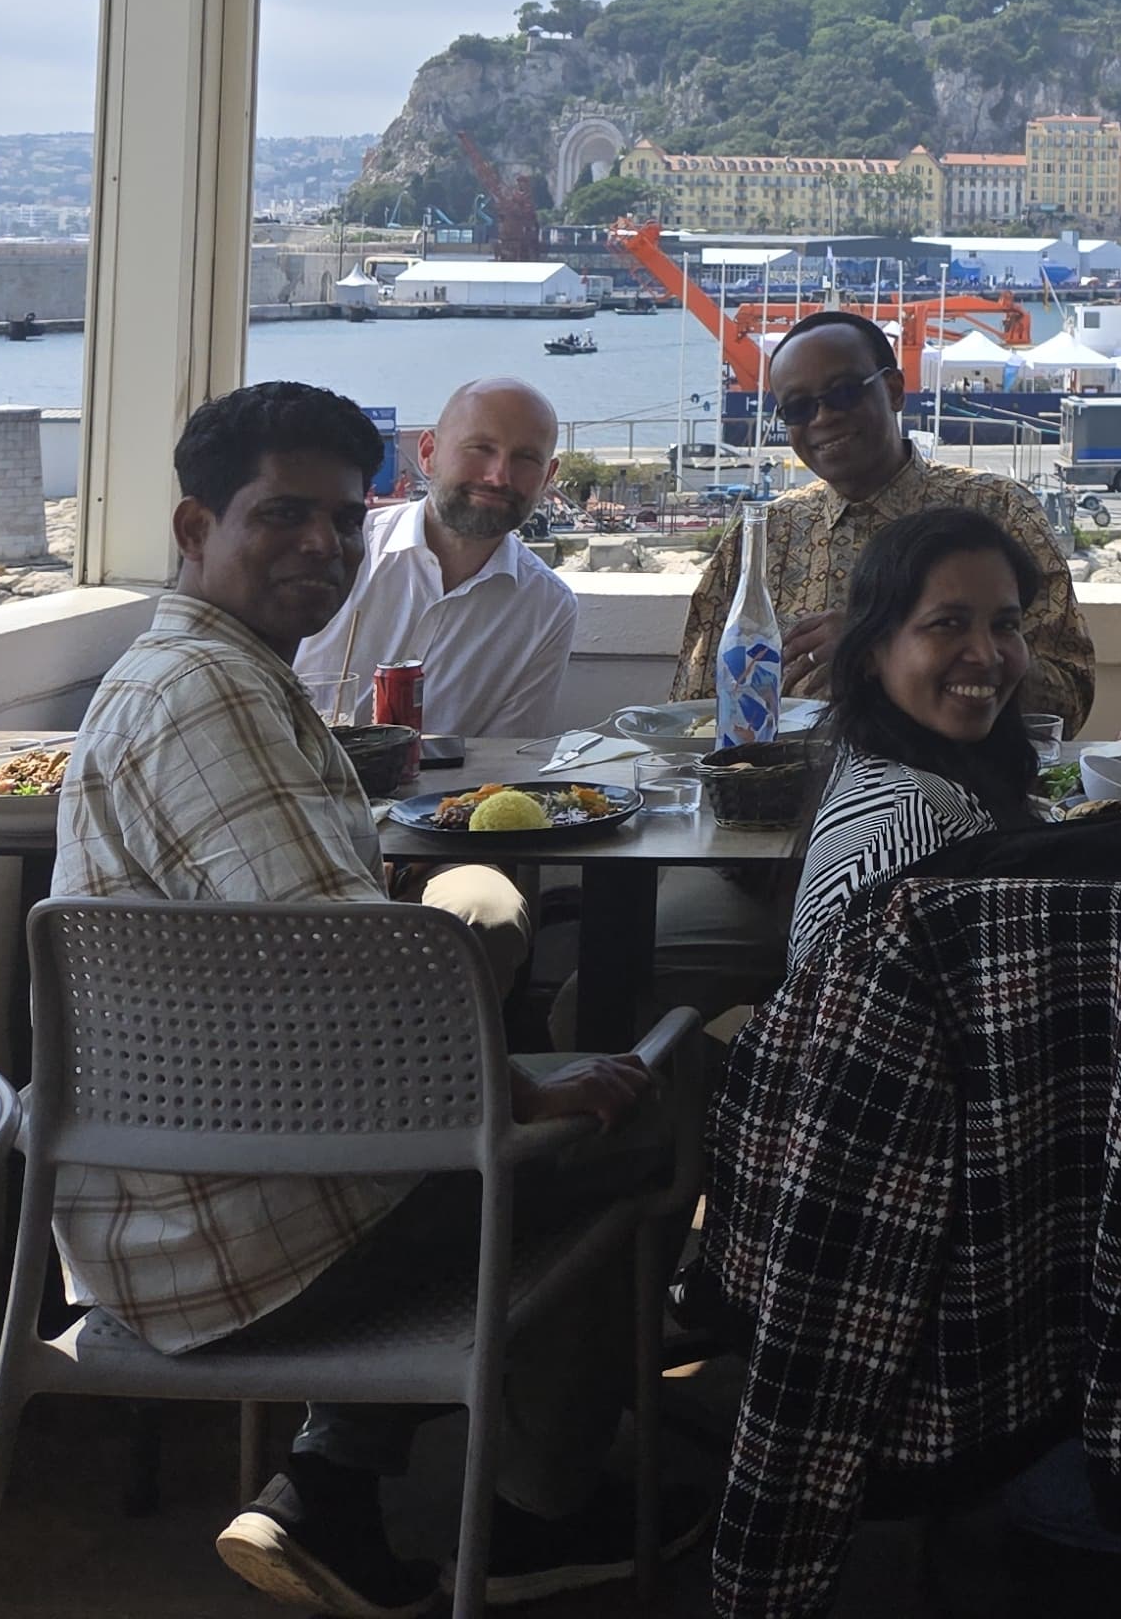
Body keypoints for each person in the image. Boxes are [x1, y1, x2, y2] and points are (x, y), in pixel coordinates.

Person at [52, 383, 666, 1617]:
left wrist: (511, 1086)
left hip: (178, 1191)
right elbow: (355, 1002)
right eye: (282, 515)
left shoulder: (186, 673)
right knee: (652, 1106)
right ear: (195, 527)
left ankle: (332, 1480)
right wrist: (521, 1092)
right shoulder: (214, 697)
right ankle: (535, 1511)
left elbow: (327, 986)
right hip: (235, 1245)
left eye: (340, 519)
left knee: (551, 1091)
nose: (322, 547)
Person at [663, 311, 1091, 725]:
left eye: (844, 393)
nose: (823, 417)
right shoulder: (763, 536)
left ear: (894, 390)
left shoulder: (999, 510)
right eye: (798, 408)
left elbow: (1067, 699)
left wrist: (877, 645)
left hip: (950, 774)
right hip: (783, 776)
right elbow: (694, 707)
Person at [781, 506, 1052, 975]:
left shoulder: (868, 758)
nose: (987, 654)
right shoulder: (917, 826)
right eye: (947, 624)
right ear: (871, 651)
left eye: (1005, 625)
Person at [291, 376, 581, 740]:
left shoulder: (547, 608)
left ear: (548, 476)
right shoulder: (340, 549)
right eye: (480, 448)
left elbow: (503, 758)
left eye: (526, 459)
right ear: (428, 453)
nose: (498, 477)